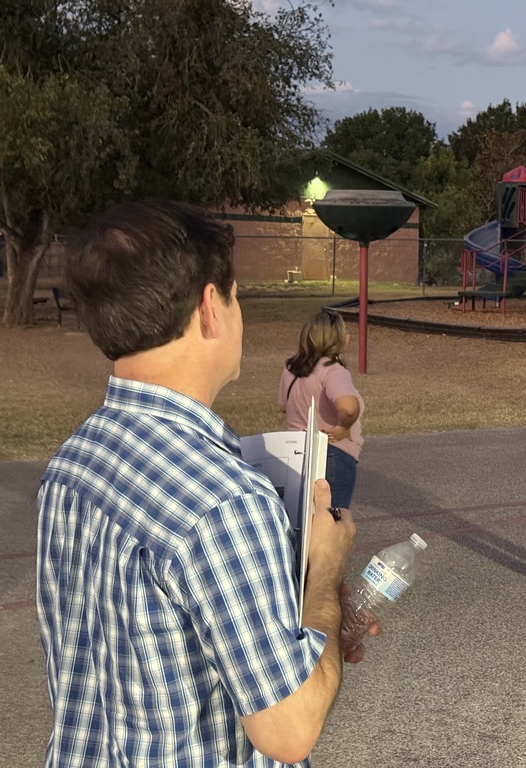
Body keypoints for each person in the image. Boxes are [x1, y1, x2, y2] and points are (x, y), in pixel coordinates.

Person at [36, 199, 372, 767]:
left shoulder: (72, 464)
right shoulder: (223, 501)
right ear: (210, 307)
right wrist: (326, 572)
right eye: (237, 293)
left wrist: (316, 626)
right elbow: (289, 730)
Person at [279, 309, 364, 509]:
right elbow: (349, 407)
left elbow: (283, 405)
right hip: (331, 454)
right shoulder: (334, 370)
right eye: (344, 330)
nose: (347, 335)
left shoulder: (291, 368)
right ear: (335, 338)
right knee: (334, 522)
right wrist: (344, 427)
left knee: (305, 521)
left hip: (296, 453)